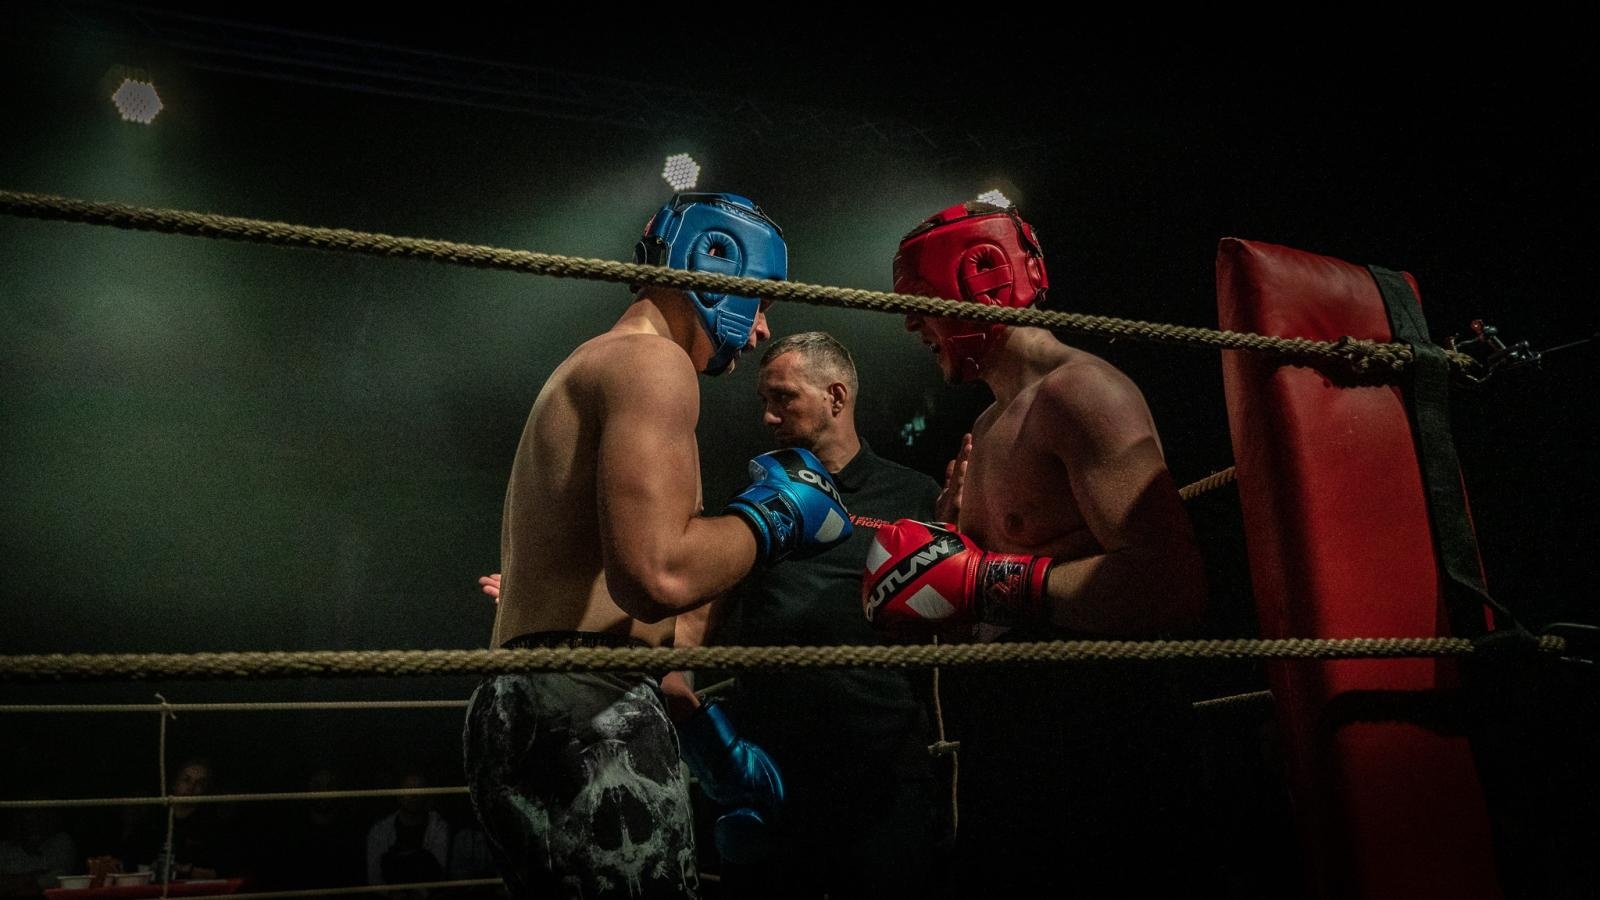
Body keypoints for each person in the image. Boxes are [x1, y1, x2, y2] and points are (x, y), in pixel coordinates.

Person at [462, 193, 852, 900]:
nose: (761, 328)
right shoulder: (653, 367)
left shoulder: (591, 362)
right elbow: (655, 576)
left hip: (534, 701)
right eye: (759, 299)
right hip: (589, 710)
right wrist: (773, 519)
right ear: (713, 266)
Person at [864, 201, 1210, 895]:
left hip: (1104, 737)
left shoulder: (1082, 393)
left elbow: (1169, 584)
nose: (910, 324)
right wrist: (935, 576)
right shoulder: (990, 426)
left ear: (979, 278)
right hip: (1010, 734)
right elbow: (980, 617)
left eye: (920, 301)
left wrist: (986, 577)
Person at [683, 332, 943, 897]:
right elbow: (695, 623)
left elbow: (959, 620)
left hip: (883, 773)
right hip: (770, 774)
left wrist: (976, 524)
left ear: (836, 397)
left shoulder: (916, 496)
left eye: (783, 398)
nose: (769, 417)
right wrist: (589, 618)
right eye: (764, 402)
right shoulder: (751, 499)